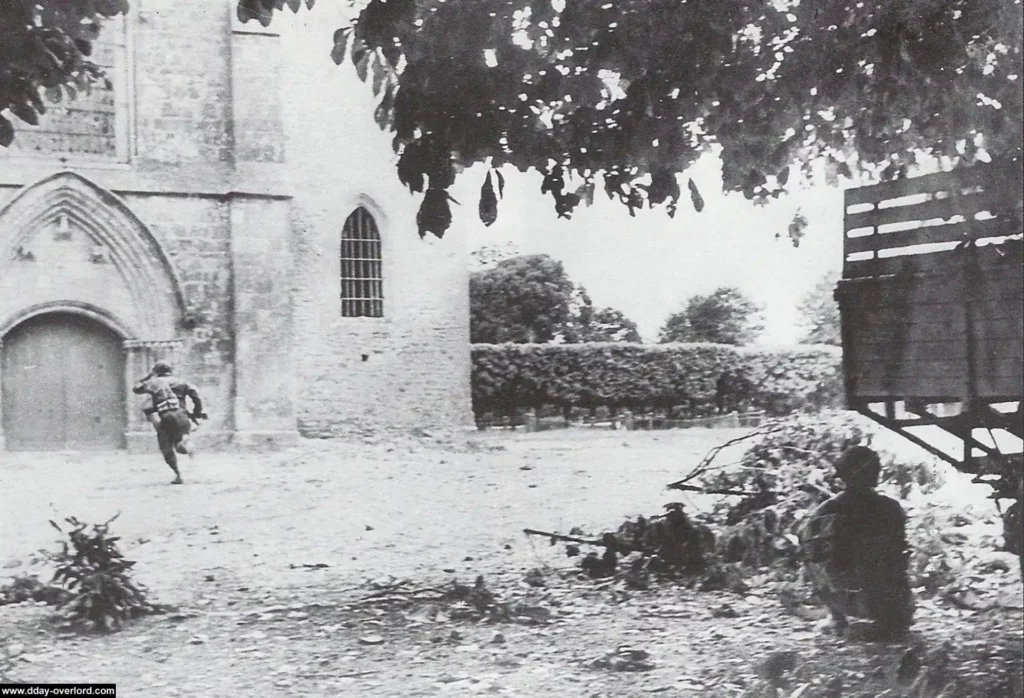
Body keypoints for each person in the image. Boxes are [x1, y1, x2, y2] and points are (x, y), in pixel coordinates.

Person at [799, 445, 915, 641]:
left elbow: (809, 548)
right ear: (876, 475)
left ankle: (837, 617)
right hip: (894, 600)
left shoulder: (830, 509)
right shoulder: (892, 508)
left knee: (810, 553)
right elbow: (899, 556)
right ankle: (884, 621)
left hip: (849, 597)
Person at [133, 361, 206, 485]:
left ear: (156, 372)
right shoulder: (182, 382)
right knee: (181, 442)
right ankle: (186, 442)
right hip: (182, 415)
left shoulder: (152, 383)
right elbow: (196, 395)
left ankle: (178, 474)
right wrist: (197, 412)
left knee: (166, 447)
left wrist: (149, 376)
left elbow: (136, 388)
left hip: (165, 416)